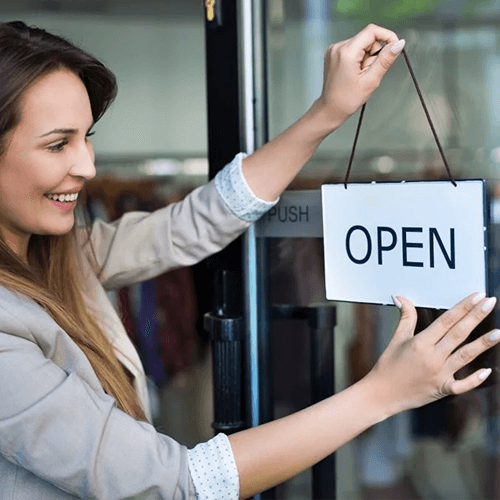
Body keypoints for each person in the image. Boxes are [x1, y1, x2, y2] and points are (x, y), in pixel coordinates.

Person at [0, 19, 497, 500]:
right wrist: (381, 393)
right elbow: (174, 483)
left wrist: (327, 111)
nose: (87, 166)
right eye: (58, 144)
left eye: (87, 137)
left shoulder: (57, 255)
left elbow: (194, 224)